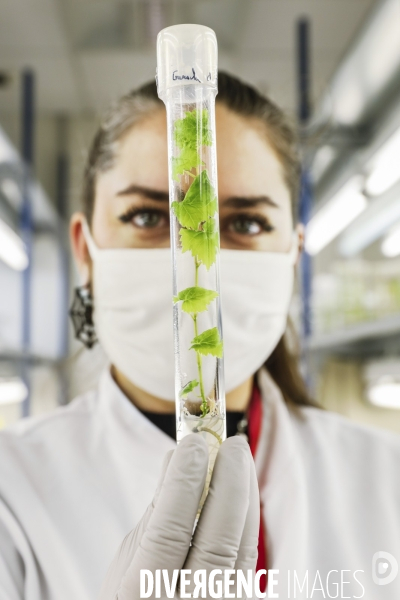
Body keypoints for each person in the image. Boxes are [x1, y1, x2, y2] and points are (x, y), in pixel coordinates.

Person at [0, 72, 399, 600]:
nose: (195, 259)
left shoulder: (386, 476)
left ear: (293, 255)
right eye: (146, 216)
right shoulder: (12, 489)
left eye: (247, 223)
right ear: (85, 250)